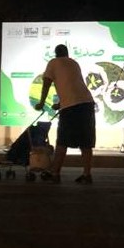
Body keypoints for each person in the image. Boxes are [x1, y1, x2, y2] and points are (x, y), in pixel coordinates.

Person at [34, 44, 97, 184]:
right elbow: (73, 86)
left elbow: (46, 83)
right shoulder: (74, 63)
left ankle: (55, 173)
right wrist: (60, 104)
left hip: (71, 108)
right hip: (87, 104)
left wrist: (41, 102)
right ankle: (87, 174)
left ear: (56, 54)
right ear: (67, 54)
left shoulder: (53, 63)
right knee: (86, 142)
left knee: (62, 141)